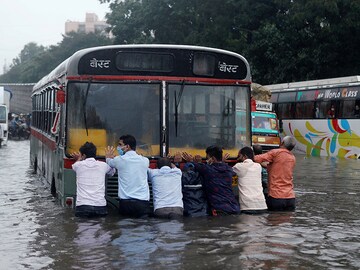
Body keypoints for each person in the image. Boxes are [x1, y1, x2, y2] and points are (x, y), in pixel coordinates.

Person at [182, 146, 240, 216]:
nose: (207, 160)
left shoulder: (207, 169)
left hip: (220, 210)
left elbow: (194, 166)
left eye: (207, 158)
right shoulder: (229, 169)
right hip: (235, 208)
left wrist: (190, 161)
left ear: (212, 159)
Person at [105, 134, 151, 218]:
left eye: (120, 145)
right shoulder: (145, 161)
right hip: (142, 204)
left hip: (126, 204)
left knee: (125, 228)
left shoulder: (119, 160)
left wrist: (108, 157)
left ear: (127, 147)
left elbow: (109, 162)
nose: (118, 147)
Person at [71, 142, 115, 218]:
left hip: (83, 206)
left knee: (82, 229)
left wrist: (79, 158)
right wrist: (109, 159)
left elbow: (74, 165)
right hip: (100, 206)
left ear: (84, 155)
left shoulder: (78, 165)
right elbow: (112, 172)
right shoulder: (103, 165)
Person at [254, 136, 296, 211]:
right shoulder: (292, 158)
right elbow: (276, 168)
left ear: (282, 143)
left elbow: (256, 158)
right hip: (290, 198)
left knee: (273, 220)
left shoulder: (275, 153)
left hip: (276, 196)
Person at [233, 146, 267, 214]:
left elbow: (227, 171)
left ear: (244, 156)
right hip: (262, 205)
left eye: (239, 156)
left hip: (248, 207)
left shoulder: (239, 166)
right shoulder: (258, 166)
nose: (238, 158)